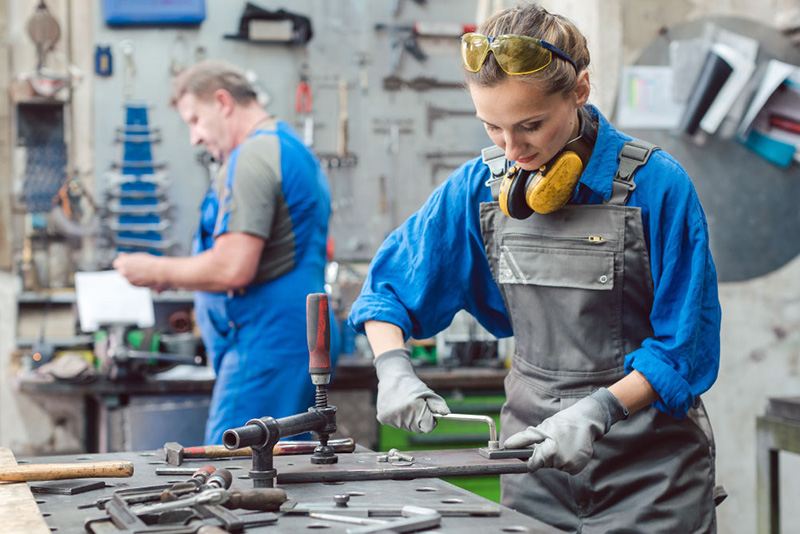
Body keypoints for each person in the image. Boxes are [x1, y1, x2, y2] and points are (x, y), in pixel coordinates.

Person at [348, 3, 722, 532]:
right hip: (530, 468)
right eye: (492, 127)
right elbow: (387, 289)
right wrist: (393, 369)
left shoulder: (657, 188)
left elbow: (686, 349)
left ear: (580, 91)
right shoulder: (480, 187)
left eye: (530, 125)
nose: (512, 149)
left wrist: (598, 412)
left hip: (652, 479)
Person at [114, 60, 337, 445]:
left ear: (223, 102)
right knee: (276, 472)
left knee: (232, 471)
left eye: (195, 120)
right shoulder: (289, 147)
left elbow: (234, 267)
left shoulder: (252, 157)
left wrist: (155, 268)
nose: (194, 137)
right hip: (285, 340)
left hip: (263, 347)